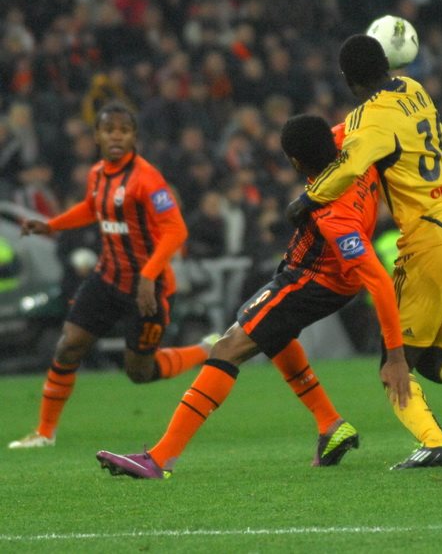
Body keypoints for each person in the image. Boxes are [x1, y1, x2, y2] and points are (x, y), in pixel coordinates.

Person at [95, 114, 410, 478]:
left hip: (312, 280)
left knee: (228, 347)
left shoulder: (334, 215)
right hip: (320, 275)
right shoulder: (354, 148)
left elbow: (380, 283)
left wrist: (395, 357)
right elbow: (361, 127)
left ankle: (160, 458)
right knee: (274, 334)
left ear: (295, 163)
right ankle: (330, 424)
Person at [287, 35, 442, 469]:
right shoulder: (414, 88)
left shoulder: (367, 120)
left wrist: (306, 200)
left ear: (347, 79)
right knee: (432, 357)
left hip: (434, 243)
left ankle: (434, 442)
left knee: (394, 363)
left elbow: (348, 167)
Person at [8, 101, 218, 449]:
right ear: (97, 136)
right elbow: (92, 208)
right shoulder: (97, 174)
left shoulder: (147, 178)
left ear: (134, 136)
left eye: (124, 130)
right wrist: (52, 225)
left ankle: (205, 350)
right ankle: (44, 433)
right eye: (109, 130)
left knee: (140, 372)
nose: (116, 136)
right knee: (68, 345)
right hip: (106, 278)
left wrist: (148, 276)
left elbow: (176, 230)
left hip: (147, 287)